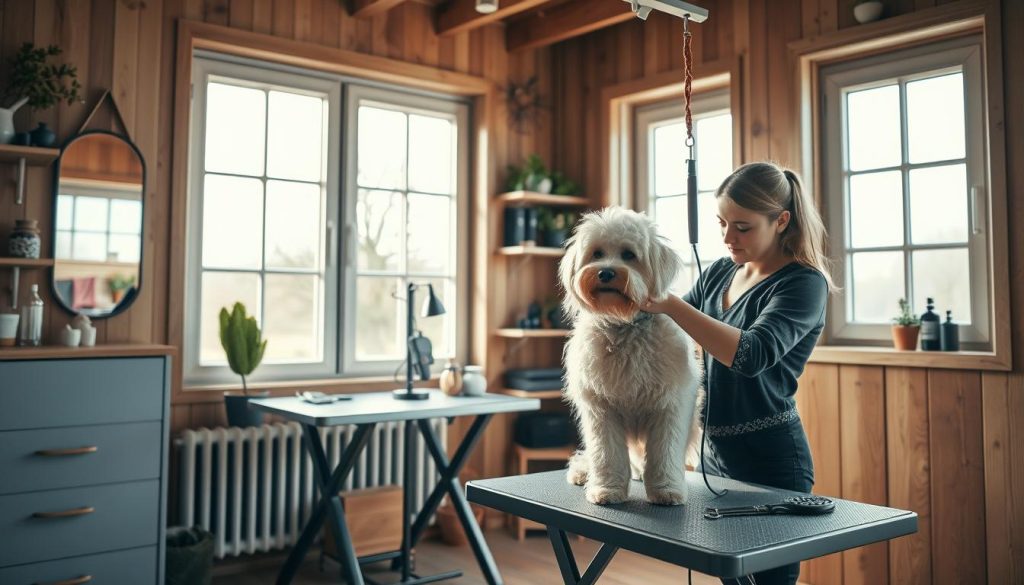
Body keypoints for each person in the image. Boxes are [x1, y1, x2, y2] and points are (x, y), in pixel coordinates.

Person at [643, 161, 837, 585]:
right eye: (722, 224)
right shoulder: (720, 271)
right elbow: (665, 325)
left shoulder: (804, 284)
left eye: (743, 227)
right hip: (714, 457)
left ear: (781, 221)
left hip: (772, 461)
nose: (728, 238)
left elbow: (751, 354)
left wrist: (672, 304)